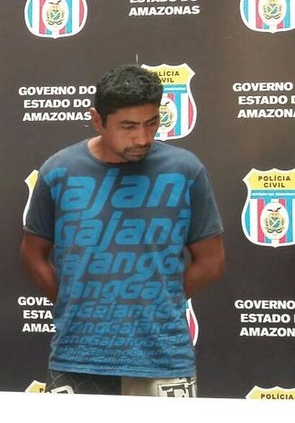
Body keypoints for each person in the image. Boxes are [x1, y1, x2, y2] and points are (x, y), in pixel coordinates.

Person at [20, 64, 225, 397]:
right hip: (77, 356)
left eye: (151, 123)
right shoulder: (59, 170)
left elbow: (212, 262)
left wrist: (159, 299)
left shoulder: (186, 170)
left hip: (163, 358)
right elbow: (33, 254)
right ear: (97, 120)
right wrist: (74, 300)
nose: (142, 138)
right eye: (128, 126)